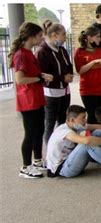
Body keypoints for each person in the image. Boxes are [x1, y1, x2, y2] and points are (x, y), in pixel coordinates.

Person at [9, 22, 54, 178]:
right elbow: (20, 79)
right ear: (31, 36)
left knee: (38, 130)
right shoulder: (21, 54)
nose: (42, 39)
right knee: (30, 133)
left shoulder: (29, 53)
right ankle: (25, 166)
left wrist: (41, 77)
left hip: (36, 97)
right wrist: (39, 78)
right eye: (40, 36)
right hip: (27, 100)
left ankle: (37, 160)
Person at [35, 23, 73, 143]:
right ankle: (50, 153)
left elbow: (68, 65)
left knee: (63, 122)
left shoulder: (62, 50)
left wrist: (69, 75)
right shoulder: (42, 51)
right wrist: (62, 78)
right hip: (51, 94)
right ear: (54, 35)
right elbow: (44, 75)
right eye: (63, 35)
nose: (65, 38)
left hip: (65, 91)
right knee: (50, 124)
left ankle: (62, 147)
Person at [74, 26, 101, 124]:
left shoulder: (99, 50)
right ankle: (91, 137)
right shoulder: (79, 52)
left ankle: (99, 136)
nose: (100, 39)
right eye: (97, 37)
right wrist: (93, 62)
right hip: (88, 89)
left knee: (99, 116)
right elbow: (79, 70)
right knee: (92, 116)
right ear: (89, 38)